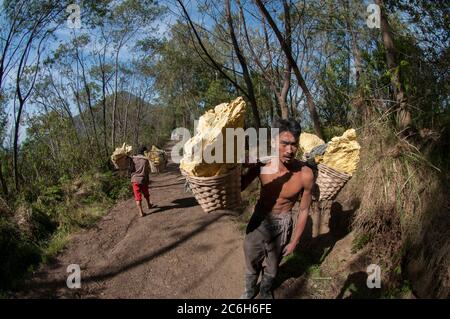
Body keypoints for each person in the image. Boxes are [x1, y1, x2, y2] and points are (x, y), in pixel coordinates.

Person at [240, 118, 314, 299]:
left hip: (283, 223)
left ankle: (265, 290)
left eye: (294, 145)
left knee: (273, 264)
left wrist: (294, 241)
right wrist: (239, 166)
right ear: (274, 142)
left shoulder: (305, 174)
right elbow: (239, 187)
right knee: (251, 258)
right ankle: (249, 291)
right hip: (259, 218)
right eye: (284, 143)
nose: (290, 150)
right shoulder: (263, 165)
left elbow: (304, 210)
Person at [129, 145, 155, 217]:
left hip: (134, 180)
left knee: (137, 196)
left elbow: (131, 169)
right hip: (143, 179)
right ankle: (149, 204)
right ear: (144, 152)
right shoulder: (146, 160)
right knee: (146, 193)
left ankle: (141, 212)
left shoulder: (132, 158)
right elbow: (147, 170)